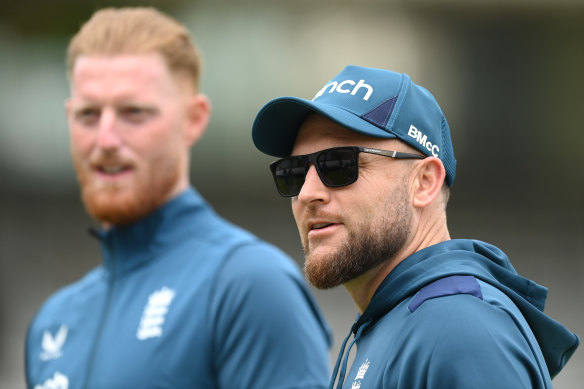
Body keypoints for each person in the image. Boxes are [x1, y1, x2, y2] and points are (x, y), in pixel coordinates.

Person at [25, 7, 332, 389]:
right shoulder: (52, 324)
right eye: (88, 114)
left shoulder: (248, 285)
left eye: (133, 112)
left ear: (194, 119)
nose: (105, 140)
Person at [252, 64, 579, 388]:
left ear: (424, 183)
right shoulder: (401, 322)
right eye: (293, 172)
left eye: (339, 165)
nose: (307, 193)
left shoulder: (458, 331)